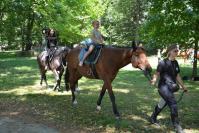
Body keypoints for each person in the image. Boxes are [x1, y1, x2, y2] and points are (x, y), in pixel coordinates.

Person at [150, 44, 188, 133]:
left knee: (163, 102)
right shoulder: (162, 62)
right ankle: (177, 126)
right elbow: (157, 73)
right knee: (173, 104)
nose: (177, 52)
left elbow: (177, 76)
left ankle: (153, 117)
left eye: (177, 51)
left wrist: (184, 87)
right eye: (175, 51)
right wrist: (154, 80)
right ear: (170, 51)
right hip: (163, 87)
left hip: (171, 88)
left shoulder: (176, 63)